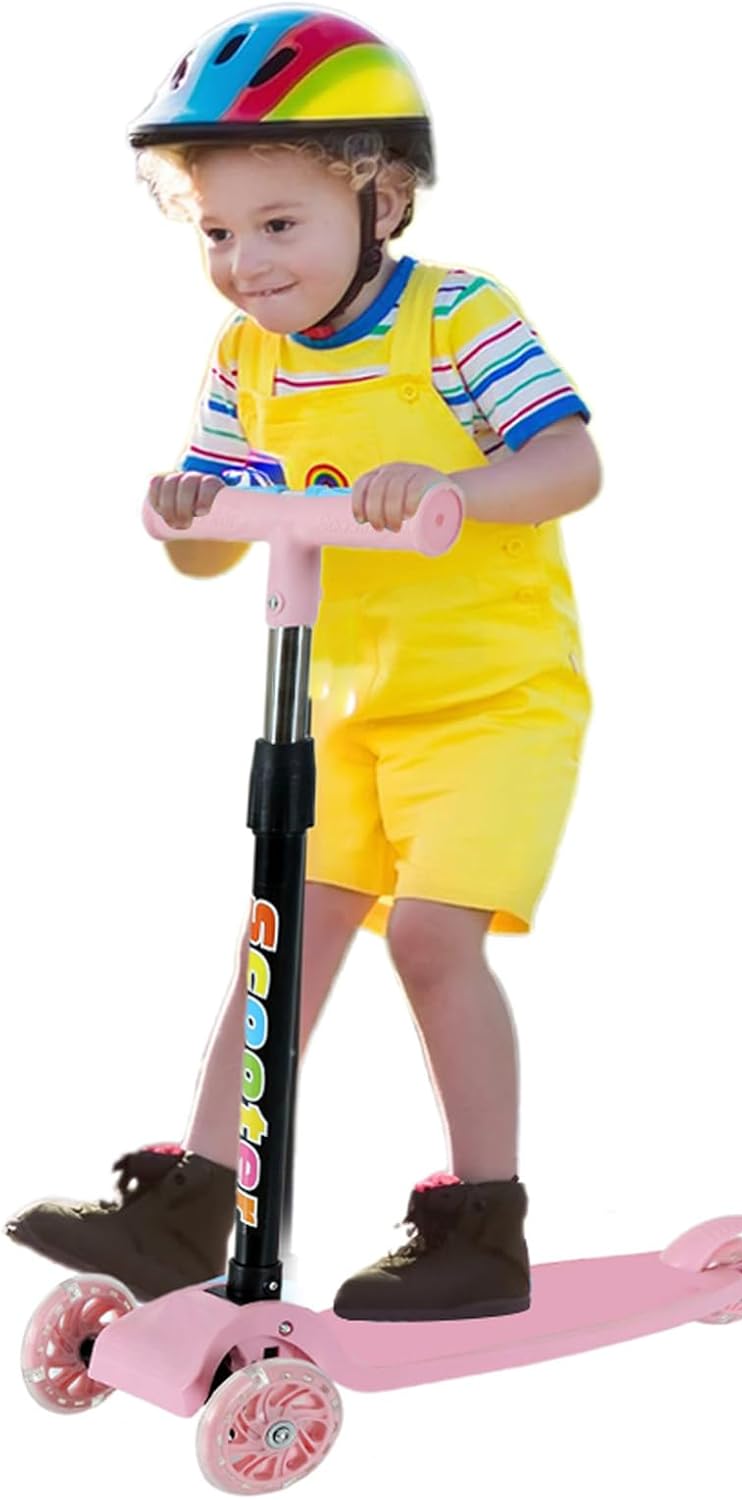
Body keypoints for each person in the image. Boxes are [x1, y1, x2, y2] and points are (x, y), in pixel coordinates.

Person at [5, 6, 601, 1321]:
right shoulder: (247, 360)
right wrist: (187, 513)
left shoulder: (456, 316)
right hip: (343, 704)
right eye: (218, 231)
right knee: (282, 934)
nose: (246, 263)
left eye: (279, 224)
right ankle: (194, 1202)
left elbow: (572, 463)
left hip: (493, 704)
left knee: (432, 941)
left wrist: (449, 486)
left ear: (380, 197)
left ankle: (481, 1228)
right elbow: (210, 543)